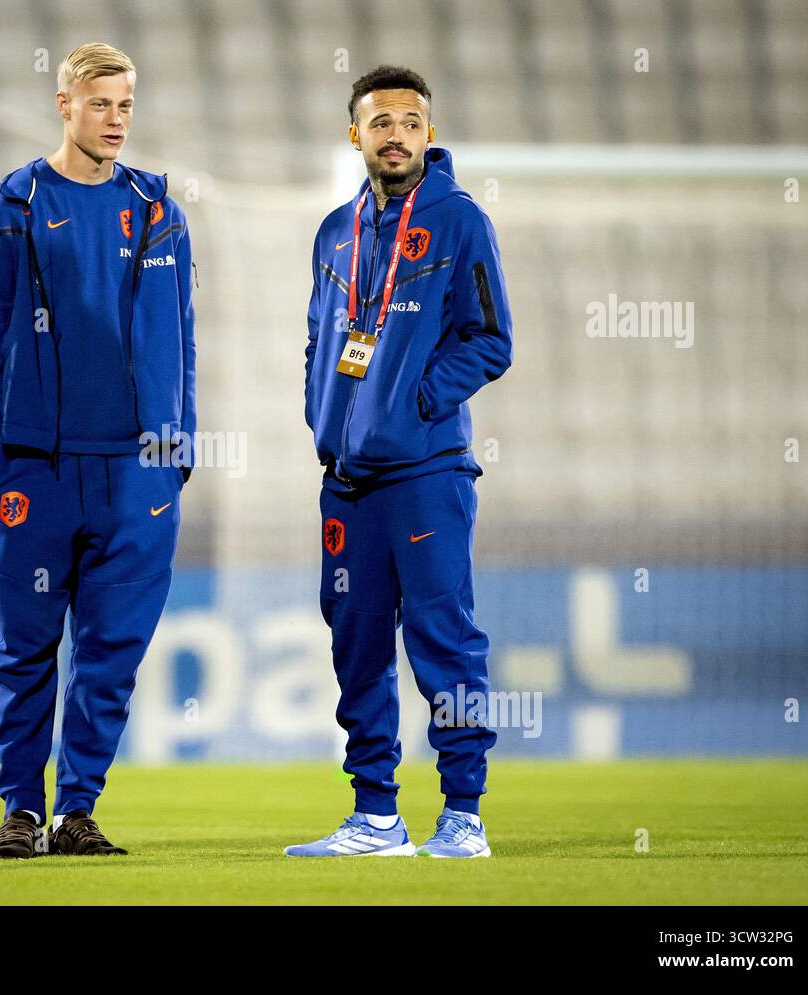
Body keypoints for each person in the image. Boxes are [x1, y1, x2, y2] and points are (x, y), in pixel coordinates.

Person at [0, 42, 195, 859]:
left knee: (110, 652)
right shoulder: (10, 209)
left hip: (136, 471)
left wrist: (176, 448)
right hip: (36, 469)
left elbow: (181, 339)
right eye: (101, 104)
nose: (117, 119)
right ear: (65, 105)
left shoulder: (160, 211)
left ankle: (77, 809)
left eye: (126, 104)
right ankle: (21, 810)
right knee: (25, 647)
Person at [290, 65, 513, 858]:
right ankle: (375, 815)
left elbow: (492, 340)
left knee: (443, 638)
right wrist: (326, 415)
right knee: (354, 644)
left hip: (425, 474)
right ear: (356, 133)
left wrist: (416, 401)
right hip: (347, 485)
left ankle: (464, 813)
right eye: (380, 122)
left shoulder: (458, 220)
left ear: (428, 131)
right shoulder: (334, 231)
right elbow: (322, 338)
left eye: (410, 122)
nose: (396, 135)